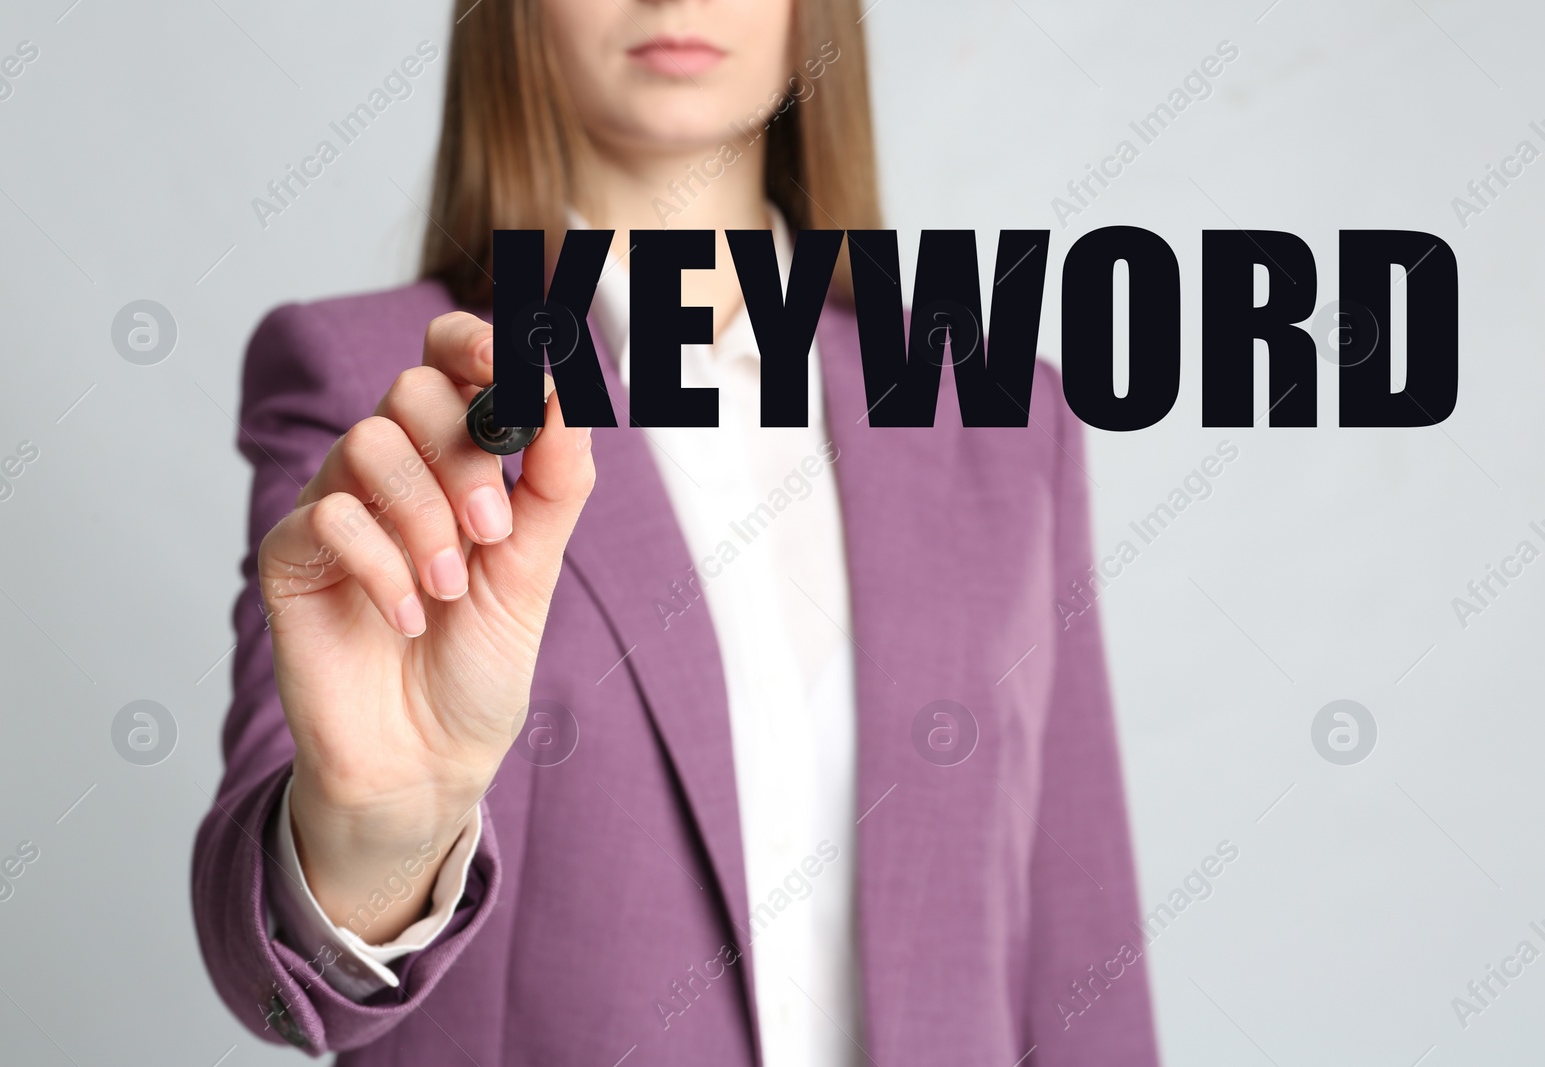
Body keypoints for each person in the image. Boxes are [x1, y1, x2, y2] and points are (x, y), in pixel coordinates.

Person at [192, 0, 1159, 1063]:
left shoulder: (1004, 418)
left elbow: (1083, 954)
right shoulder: (378, 383)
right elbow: (285, 983)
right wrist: (384, 825)